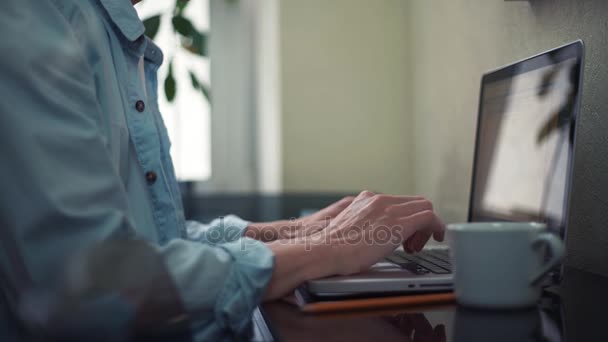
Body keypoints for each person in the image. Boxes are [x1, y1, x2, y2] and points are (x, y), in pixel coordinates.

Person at [0, 0, 445, 339]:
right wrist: (324, 250)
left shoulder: (106, 32)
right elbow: (89, 287)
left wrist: (296, 233)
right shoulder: (35, 18)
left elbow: (154, 242)